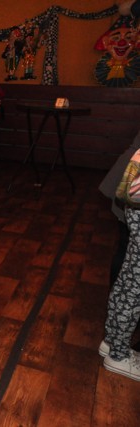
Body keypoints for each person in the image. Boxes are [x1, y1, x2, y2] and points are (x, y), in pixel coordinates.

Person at [99, 147, 140, 381]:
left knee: (128, 278)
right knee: (135, 286)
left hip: (135, 192)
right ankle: (118, 354)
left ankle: (112, 341)